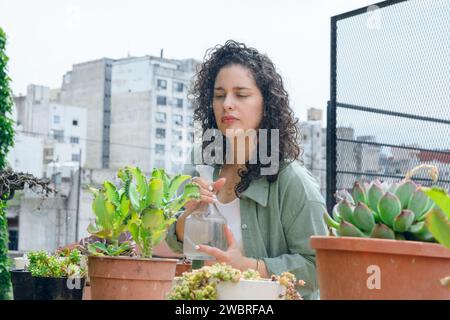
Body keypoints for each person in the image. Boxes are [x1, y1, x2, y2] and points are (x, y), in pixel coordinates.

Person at [165, 40, 328, 299]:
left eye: (241, 94)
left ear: (267, 105)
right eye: (219, 95)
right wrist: (188, 216)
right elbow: (176, 240)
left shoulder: (291, 180)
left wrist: (249, 266)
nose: (227, 103)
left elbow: (320, 266)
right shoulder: (201, 160)